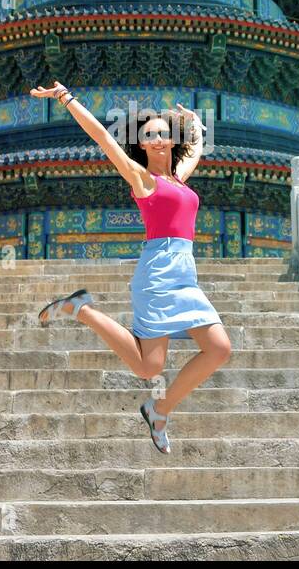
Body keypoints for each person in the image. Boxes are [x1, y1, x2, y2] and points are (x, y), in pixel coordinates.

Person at [29, 81, 233, 453]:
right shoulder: (143, 180)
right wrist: (66, 98)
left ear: (171, 140)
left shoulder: (178, 179)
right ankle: (83, 310)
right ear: (142, 144)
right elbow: (103, 139)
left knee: (218, 348)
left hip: (185, 273)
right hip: (158, 272)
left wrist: (197, 128)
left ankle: (160, 410)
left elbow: (196, 151)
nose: (157, 140)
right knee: (147, 368)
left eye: (163, 134)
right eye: (149, 135)